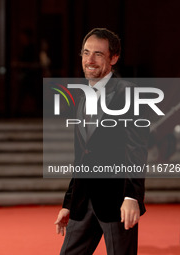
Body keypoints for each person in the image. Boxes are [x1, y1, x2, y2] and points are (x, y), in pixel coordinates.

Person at [54, 28, 149, 255]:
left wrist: (131, 197)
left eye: (98, 54)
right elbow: (82, 155)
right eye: (86, 53)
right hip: (83, 200)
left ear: (113, 58)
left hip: (116, 202)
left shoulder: (129, 94)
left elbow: (136, 149)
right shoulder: (81, 96)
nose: (89, 60)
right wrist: (68, 203)